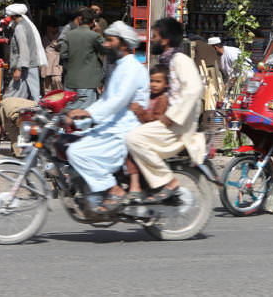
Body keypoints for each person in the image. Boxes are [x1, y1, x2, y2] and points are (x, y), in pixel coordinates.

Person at [65, 21, 149, 213]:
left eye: (111, 41)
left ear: (124, 44)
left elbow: (117, 101)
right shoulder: (119, 67)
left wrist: (87, 113)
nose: (106, 45)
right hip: (112, 125)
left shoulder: (133, 69)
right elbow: (106, 102)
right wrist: (83, 119)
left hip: (124, 128)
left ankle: (114, 190)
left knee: (77, 153)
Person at [126, 18, 205, 203]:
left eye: (154, 36)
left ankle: (167, 181)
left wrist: (171, 117)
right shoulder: (166, 61)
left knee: (133, 138)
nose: (150, 40)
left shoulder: (180, 59)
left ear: (165, 40)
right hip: (170, 122)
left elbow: (194, 89)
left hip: (177, 126)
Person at [125, 65, 171, 201]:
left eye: (158, 81)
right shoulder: (148, 96)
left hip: (154, 136)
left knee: (131, 151)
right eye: (151, 81)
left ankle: (135, 185)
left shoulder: (162, 100)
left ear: (166, 84)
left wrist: (139, 111)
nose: (154, 85)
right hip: (144, 132)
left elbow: (154, 121)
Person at [60, 7, 104, 108]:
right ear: (93, 21)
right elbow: (104, 49)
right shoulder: (94, 36)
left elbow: (63, 54)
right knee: (84, 115)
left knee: (69, 113)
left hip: (70, 81)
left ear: (79, 19)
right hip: (87, 83)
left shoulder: (69, 35)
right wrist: (99, 32)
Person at [2, 4, 47, 103]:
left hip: (25, 68)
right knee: (29, 95)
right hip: (29, 67)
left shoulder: (20, 28)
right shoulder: (26, 24)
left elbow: (23, 50)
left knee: (13, 96)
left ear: (13, 16)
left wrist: (18, 69)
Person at [41, 15, 63, 92]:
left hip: (56, 64)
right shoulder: (45, 37)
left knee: (56, 81)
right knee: (47, 86)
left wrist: (53, 40)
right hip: (46, 65)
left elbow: (60, 48)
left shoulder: (61, 36)